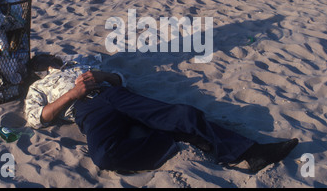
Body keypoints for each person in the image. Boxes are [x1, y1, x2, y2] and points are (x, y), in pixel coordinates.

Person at [24, 54, 298, 173]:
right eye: (42, 62)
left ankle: (251, 153)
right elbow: (37, 118)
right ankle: (170, 142)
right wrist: (72, 94)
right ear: (37, 70)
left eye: (49, 59)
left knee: (183, 113)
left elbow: (121, 79)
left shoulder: (79, 63)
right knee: (104, 156)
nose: (48, 62)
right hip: (86, 109)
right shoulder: (38, 87)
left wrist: (102, 74)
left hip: (110, 93)